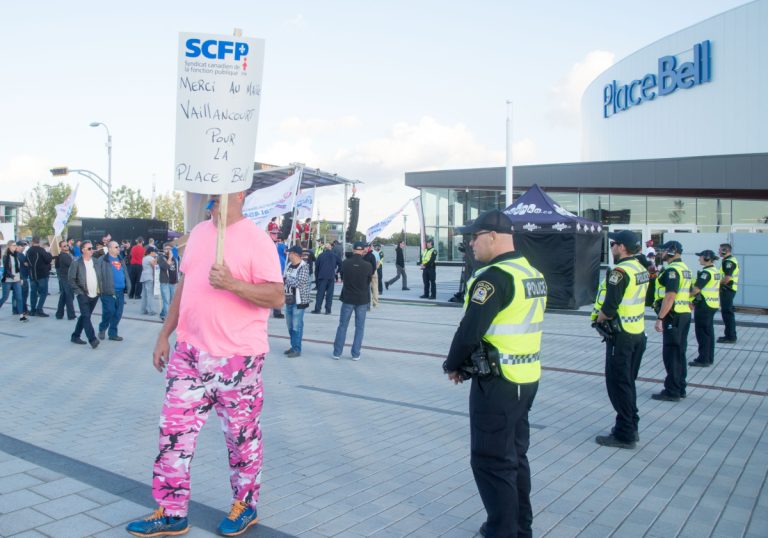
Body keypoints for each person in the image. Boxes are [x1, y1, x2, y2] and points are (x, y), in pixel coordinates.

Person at [126, 191, 283, 537]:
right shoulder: (198, 233)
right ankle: (171, 511)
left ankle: (245, 505)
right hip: (189, 354)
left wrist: (232, 284)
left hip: (238, 360)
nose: (209, 204)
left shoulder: (258, 241)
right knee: (173, 436)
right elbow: (185, 285)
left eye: (215, 197)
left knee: (242, 440)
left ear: (238, 194)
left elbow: (276, 295)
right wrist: (164, 334)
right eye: (208, 198)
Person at [442, 210, 546, 538]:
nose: (470, 243)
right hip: (525, 377)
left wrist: (453, 365)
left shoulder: (493, 277)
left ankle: (502, 531)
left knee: (491, 461)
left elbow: (470, 331)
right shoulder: (531, 272)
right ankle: (518, 527)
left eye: (474, 236)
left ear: (492, 236)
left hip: (498, 384)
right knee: (514, 457)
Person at [594, 230, 649, 449]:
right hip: (637, 333)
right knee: (627, 383)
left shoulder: (619, 272)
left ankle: (625, 432)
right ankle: (629, 425)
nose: (612, 247)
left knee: (618, 385)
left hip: (622, 336)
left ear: (623, 247)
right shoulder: (640, 269)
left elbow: (609, 307)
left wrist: (598, 320)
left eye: (615, 244)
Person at [652, 240, 692, 402]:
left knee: (672, 354)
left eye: (662, 250)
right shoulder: (685, 269)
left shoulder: (673, 271)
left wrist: (660, 318)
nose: (660, 253)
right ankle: (680, 386)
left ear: (671, 251)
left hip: (673, 316)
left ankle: (672, 390)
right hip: (683, 314)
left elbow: (670, 296)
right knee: (680, 352)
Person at [332, 241, 374, 361]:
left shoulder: (345, 263)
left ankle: (337, 352)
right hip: (362, 299)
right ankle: (355, 353)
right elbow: (368, 281)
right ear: (362, 251)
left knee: (342, 325)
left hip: (348, 298)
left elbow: (343, 277)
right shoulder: (368, 265)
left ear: (354, 249)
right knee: (359, 327)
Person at [689, 250, 721, 367]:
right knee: (709, 333)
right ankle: (709, 357)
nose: (699, 259)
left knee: (702, 333)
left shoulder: (706, 273)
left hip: (705, 305)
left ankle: (703, 359)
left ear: (707, 258)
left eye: (700, 257)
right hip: (712, 304)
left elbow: (696, 290)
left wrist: (684, 296)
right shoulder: (715, 271)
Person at [68, 240, 100, 349]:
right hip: (83, 294)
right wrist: (80, 292)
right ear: (83, 250)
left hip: (95, 294)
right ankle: (92, 339)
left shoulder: (96, 261)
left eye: (92, 248)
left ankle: (75, 335)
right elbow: (71, 280)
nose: (92, 250)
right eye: (89, 248)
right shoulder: (76, 263)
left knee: (85, 316)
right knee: (86, 316)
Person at [95, 241, 128, 342]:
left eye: (118, 247)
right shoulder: (102, 260)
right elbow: (98, 275)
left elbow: (125, 273)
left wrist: (128, 285)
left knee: (118, 313)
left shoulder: (120, 259)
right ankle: (102, 328)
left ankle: (113, 333)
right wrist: (100, 289)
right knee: (109, 311)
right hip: (107, 291)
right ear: (109, 249)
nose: (119, 249)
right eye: (116, 247)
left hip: (120, 291)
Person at [283, 245, 311, 357]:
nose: (288, 255)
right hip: (289, 299)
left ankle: (297, 349)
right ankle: (293, 345)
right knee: (290, 325)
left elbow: (300, 282)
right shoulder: (289, 265)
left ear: (295, 254)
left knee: (296, 326)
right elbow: (285, 278)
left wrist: (287, 280)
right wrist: (287, 280)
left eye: (290, 253)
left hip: (299, 301)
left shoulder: (304, 267)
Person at [1, 240, 28, 321]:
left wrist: (21, 278)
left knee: (19, 298)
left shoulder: (17, 255)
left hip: (17, 280)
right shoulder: (6, 256)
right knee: (5, 297)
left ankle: (21, 316)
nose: (15, 246)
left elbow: (19, 269)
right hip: (8, 280)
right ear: (9, 246)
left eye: (15, 245)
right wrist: (13, 277)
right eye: (13, 245)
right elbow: (6, 270)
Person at [26, 236, 53, 316]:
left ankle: (33, 309)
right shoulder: (41, 250)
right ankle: (39, 309)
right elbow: (48, 259)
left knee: (33, 292)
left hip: (32, 275)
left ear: (32, 242)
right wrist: (48, 253)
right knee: (43, 293)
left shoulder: (29, 251)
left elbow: (26, 261)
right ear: (39, 241)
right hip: (42, 274)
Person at [717, 243, 739, 344]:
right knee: (727, 313)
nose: (719, 251)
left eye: (720, 250)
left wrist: (716, 284)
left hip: (727, 290)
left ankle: (731, 337)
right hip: (728, 290)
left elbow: (727, 278)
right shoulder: (728, 260)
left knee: (727, 314)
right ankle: (729, 335)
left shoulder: (728, 262)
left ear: (726, 250)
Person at [312, 243, 340, 314]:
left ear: (324, 249)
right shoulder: (335, 256)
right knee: (329, 294)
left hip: (322, 277)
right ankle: (328, 310)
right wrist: (337, 272)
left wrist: (316, 278)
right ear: (330, 248)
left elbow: (316, 268)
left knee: (320, 294)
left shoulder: (320, 256)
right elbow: (341, 264)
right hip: (331, 277)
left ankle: (317, 309)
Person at [54, 240, 76, 320]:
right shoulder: (63, 256)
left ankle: (59, 314)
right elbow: (73, 264)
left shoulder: (68, 254)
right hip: (66, 278)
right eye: (64, 246)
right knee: (69, 296)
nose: (66, 247)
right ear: (61, 248)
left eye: (67, 245)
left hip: (66, 277)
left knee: (63, 296)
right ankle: (71, 315)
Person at [158, 244, 179, 322]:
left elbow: (177, 270)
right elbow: (165, 267)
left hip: (173, 282)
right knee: (166, 300)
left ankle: (163, 314)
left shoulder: (175, 258)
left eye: (170, 249)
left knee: (171, 300)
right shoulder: (161, 258)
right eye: (166, 249)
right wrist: (169, 257)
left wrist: (177, 280)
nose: (168, 250)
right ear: (164, 250)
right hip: (165, 282)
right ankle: (167, 318)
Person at [270, 230, 286, 319]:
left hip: (279, 271)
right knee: (277, 292)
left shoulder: (281, 246)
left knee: (277, 292)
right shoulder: (281, 246)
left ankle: (277, 310)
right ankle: (277, 311)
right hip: (275, 271)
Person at [140, 247, 158, 316]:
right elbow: (155, 266)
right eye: (154, 252)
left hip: (144, 277)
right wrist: (156, 259)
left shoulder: (144, 258)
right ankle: (151, 310)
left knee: (144, 294)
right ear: (151, 252)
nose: (155, 254)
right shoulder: (150, 258)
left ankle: (143, 310)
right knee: (150, 294)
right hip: (149, 277)